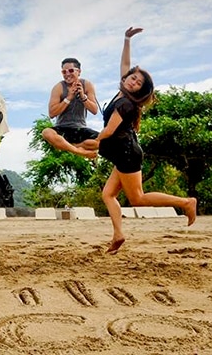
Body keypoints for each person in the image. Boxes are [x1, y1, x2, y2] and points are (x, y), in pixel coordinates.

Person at [97, 27, 197, 254]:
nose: (133, 81)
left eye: (138, 82)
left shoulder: (126, 103)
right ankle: (118, 234)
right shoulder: (121, 92)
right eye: (133, 77)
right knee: (108, 194)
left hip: (126, 152)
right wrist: (126, 39)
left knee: (138, 198)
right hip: (123, 152)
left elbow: (109, 131)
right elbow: (125, 65)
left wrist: (91, 143)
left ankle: (186, 203)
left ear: (141, 90)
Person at [41, 57, 100, 158]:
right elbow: (52, 113)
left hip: (80, 128)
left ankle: (72, 147)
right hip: (62, 128)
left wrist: (83, 96)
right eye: (64, 72)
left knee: (107, 141)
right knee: (46, 132)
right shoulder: (58, 87)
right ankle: (80, 152)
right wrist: (69, 97)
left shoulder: (87, 85)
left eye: (71, 70)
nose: (67, 74)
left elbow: (94, 110)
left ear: (79, 71)